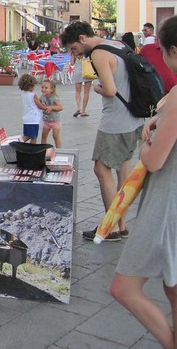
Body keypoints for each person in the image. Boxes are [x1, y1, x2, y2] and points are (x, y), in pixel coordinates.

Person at [110, 14, 177, 349]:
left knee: (124, 287)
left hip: (167, 203)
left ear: (174, 51)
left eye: (163, 50)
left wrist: (147, 139)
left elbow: (153, 160)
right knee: (172, 288)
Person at [61, 21, 144, 242]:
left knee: (101, 169)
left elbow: (109, 89)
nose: (74, 54)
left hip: (116, 122)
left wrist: (96, 87)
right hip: (134, 117)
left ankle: (111, 228)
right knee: (122, 172)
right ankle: (122, 224)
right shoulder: (116, 44)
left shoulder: (98, 54)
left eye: (73, 48)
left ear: (81, 38)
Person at [17, 74, 46, 143]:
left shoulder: (23, 94)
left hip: (26, 118)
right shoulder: (33, 95)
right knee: (33, 137)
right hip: (33, 119)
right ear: (31, 86)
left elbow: (32, 104)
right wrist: (46, 107)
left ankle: (19, 143)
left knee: (27, 135)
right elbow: (40, 106)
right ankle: (19, 145)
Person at [40, 79, 64, 148]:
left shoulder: (54, 98)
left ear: (52, 89)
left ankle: (59, 150)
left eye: (46, 88)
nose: (43, 89)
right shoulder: (42, 97)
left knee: (55, 136)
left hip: (55, 121)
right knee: (43, 136)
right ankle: (43, 150)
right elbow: (39, 103)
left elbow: (60, 107)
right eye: (42, 87)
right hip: (46, 120)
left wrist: (52, 107)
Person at [70, 51, 91, 117]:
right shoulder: (88, 50)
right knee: (86, 92)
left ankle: (78, 108)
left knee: (78, 91)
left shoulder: (74, 51)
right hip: (88, 72)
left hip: (78, 72)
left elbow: (72, 63)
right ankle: (83, 111)